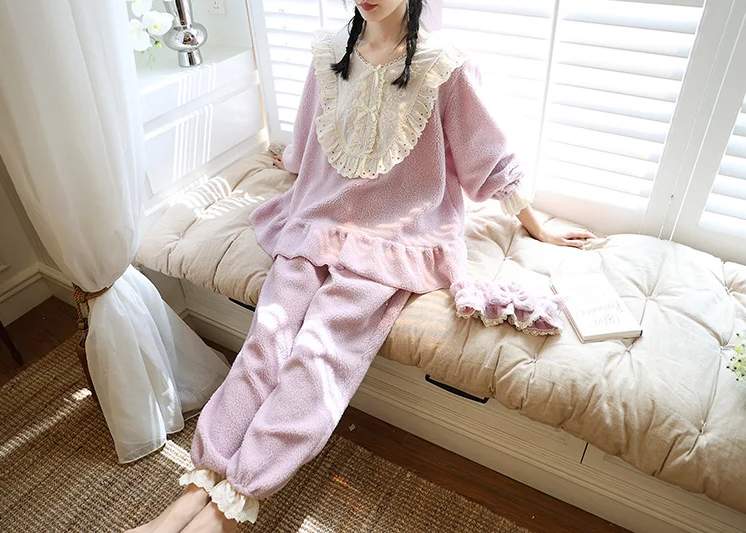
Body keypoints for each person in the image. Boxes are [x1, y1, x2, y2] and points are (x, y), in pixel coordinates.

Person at [127, 1, 594, 531]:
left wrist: (536, 224)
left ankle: (230, 506)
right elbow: (308, 143)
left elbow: (488, 157)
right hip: (315, 223)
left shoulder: (446, 66)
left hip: (393, 243)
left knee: (317, 362)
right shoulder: (329, 54)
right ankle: (196, 490)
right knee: (265, 344)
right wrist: (295, 166)